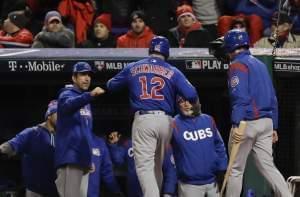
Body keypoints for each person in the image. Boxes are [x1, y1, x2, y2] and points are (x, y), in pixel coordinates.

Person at [106, 35, 199, 197]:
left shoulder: (134, 67)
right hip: (166, 121)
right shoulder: (173, 71)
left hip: (144, 119)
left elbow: (111, 85)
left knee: (144, 167)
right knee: (157, 165)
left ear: (150, 50)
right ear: (166, 52)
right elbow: (191, 94)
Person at [222, 29, 292, 197]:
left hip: (247, 122)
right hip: (266, 123)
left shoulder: (237, 65)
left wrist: (236, 123)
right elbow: (273, 98)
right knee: (268, 166)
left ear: (230, 47)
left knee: (235, 170)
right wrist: (274, 125)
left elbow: (240, 97)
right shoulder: (260, 64)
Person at [55, 62, 105, 197]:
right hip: (70, 157)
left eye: (89, 75)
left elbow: (86, 132)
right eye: (83, 74)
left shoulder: (86, 102)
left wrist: (88, 158)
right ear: (74, 78)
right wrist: (90, 95)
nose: (87, 78)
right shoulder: (66, 94)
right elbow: (69, 104)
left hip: (82, 158)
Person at [171, 96, 228, 197]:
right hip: (189, 185)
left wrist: (222, 169)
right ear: (177, 104)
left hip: (213, 182)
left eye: (190, 101)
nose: (186, 104)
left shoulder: (208, 120)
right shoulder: (173, 124)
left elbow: (219, 146)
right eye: (182, 101)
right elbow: (167, 154)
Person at [0, 100, 58, 197]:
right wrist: (2, 149)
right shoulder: (32, 133)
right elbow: (11, 145)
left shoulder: (64, 136)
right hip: (35, 191)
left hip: (57, 191)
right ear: (49, 115)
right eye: (59, 114)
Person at [107, 131, 177, 197]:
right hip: (134, 192)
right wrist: (113, 145)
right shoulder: (129, 143)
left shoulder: (162, 145)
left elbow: (170, 171)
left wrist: (168, 192)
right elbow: (118, 161)